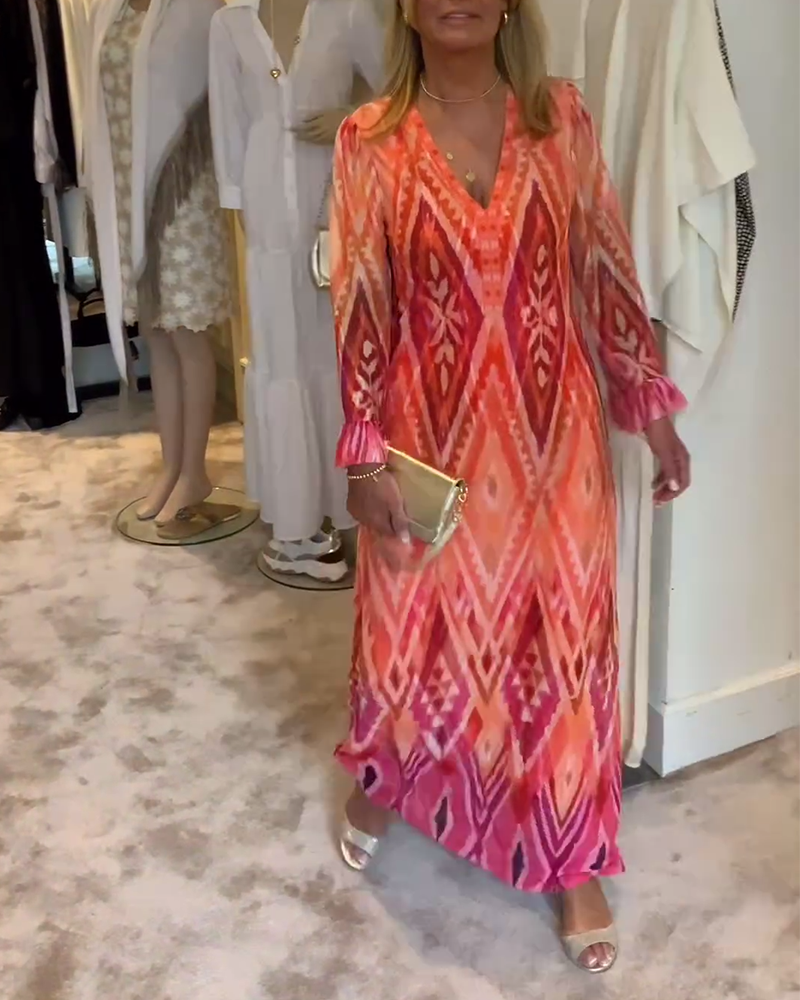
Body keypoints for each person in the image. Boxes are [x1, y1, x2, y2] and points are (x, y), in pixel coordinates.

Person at [329, 0, 690, 975]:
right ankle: (389, 779)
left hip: (553, 442)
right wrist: (363, 450)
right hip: (430, 436)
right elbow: (362, 299)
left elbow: (604, 270)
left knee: (561, 642)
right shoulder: (370, 139)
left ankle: (571, 856)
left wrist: (650, 407)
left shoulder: (558, 117)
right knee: (415, 636)